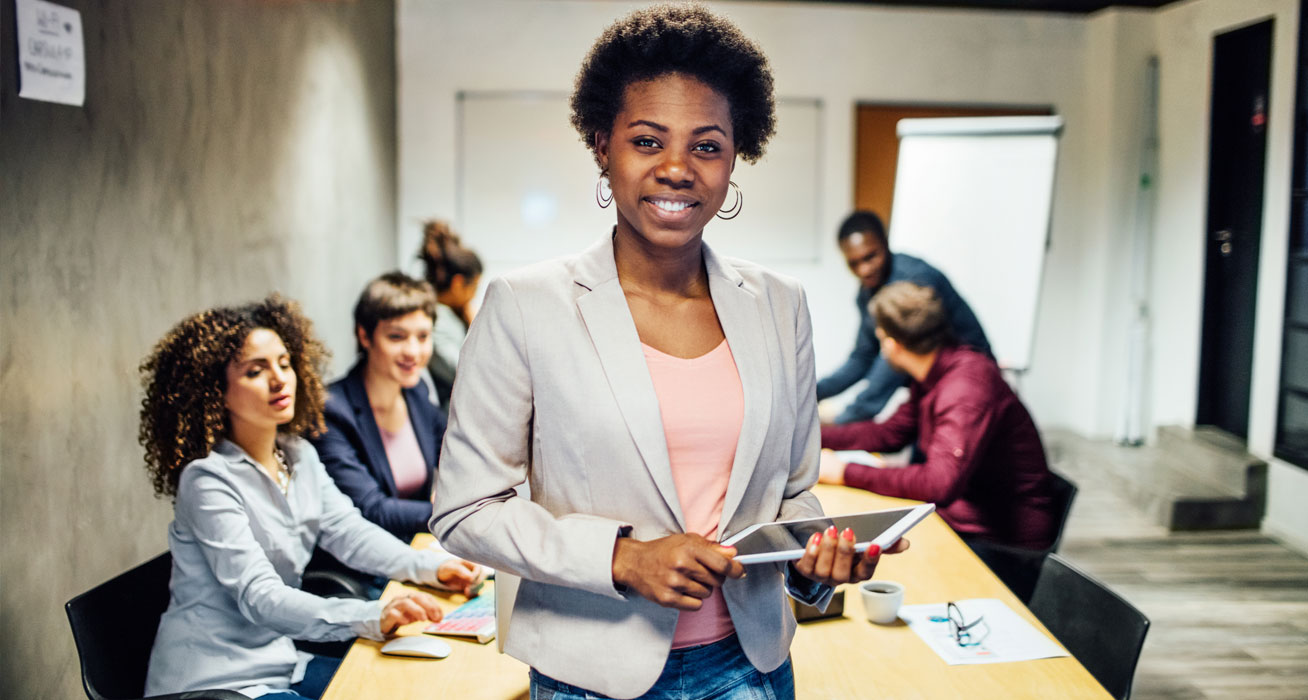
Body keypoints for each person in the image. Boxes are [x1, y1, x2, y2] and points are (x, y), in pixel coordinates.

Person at [431, 6, 905, 700]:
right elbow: (464, 511)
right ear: (602, 144)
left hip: (752, 666)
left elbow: (795, 490)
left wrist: (815, 563)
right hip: (590, 677)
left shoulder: (780, 304)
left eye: (707, 146)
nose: (678, 169)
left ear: (736, 155)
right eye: (648, 141)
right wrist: (622, 559)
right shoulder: (525, 306)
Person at [139, 296, 478, 699]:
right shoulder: (207, 479)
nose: (280, 379)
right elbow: (259, 597)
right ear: (217, 393)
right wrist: (371, 614)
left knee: (397, 687)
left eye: (284, 363)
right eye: (255, 371)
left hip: (282, 660)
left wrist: (429, 568)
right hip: (216, 679)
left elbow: (350, 532)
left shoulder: (299, 455)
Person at [819, 281, 1057, 550]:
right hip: (963, 521)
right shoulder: (934, 375)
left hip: (1002, 545)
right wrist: (814, 438)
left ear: (892, 344)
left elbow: (938, 484)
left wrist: (844, 472)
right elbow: (890, 434)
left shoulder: (964, 388)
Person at [312, 272, 473, 546]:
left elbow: (455, 457)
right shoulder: (332, 411)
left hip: (420, 548)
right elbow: (372, 509)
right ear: (364, 336)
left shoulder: (417, 394)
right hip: (366, 568)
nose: (413, 351)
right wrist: (453, 511)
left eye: (423, 337)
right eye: (397, 337)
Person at [817, 210, 991, 424]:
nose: (863, 270)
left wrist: (841, 420)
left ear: (885, 244)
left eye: (870, 257)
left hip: (968, 383)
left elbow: (894, 361)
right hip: (928, 388)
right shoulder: (866, 294)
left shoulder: (916, 281)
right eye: (853, 263)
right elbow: (863, 357)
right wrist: (811, 394)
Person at [417, 219, 483, 408]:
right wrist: (476, 324)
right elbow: (467, 374)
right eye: (474, 287)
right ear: (458, 283)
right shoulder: (435, 321)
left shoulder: (449, 316)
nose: (474, 296)